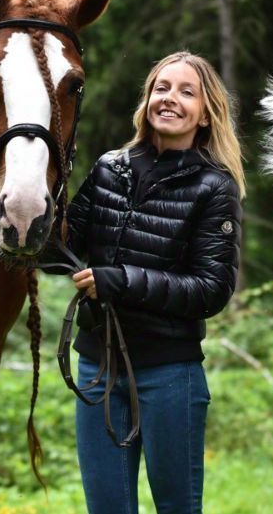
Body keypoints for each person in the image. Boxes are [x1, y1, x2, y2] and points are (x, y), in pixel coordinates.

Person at [49, 51, 244, 514]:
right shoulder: (108, 169)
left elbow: (211, 289)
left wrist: (120, 281)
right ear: (147, 100)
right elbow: (61, 252)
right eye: (161, 87)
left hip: (169, 375)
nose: (169, 98)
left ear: (205, 113)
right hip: (98, 370)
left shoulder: (215, 188)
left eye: (185, 91)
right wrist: (34, 208)